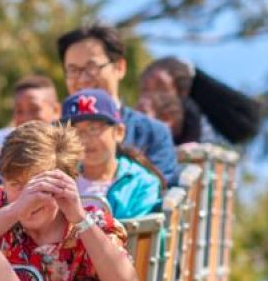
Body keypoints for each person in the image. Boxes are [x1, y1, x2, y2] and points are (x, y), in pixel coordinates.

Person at [0, 121, 139, 281]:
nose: (28, 196)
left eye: (38, 184)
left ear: (64, 180)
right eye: (16, 185)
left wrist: (81, 219)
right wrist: (14, 211)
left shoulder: (90, 224)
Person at [57, 23, 180, 184]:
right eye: (73, 70)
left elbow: (163, 194)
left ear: (120, 67)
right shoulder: (52, 135)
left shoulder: (152, 133)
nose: (83, 79)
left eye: (92, 67)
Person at [63, 89, 165, 220]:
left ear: (119, 132)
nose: (84, 140)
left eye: (93, 129)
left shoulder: (141, 184)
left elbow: (131, 236)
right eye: (74, 131)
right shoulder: (61, 181)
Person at [141, 57, 261, 145]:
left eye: (160, 86)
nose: (152, 93)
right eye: (145, 89)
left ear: (182, 91)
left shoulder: (192, 118)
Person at [0, 75, 62, 170]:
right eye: (19, 111)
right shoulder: (5, 140)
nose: (26, 118)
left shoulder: (68, 143)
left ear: (56, 111)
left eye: (35, 109)